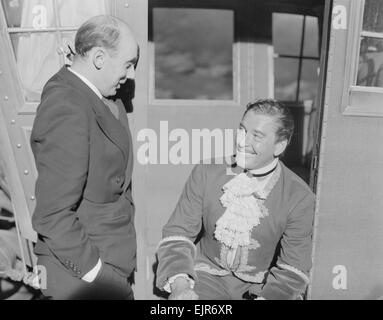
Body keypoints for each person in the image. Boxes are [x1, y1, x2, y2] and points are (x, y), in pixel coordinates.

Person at [156, 99, 315, 300]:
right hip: (206, 279)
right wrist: (181, 287)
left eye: (256, 136)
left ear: (279, 146)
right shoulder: (207, 172)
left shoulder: (299, 196)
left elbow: (293, 268)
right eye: (242, 130)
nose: (242, 141)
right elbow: (178, 235)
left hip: (264, 288)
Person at [30, 15, 139, 300]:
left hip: (107, 265)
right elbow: (52, 214)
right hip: (81, 277)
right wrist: (97, 273)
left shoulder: (98, 95)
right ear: (100, 58)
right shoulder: (66, 104)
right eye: (128, 64)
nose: (130, 75)